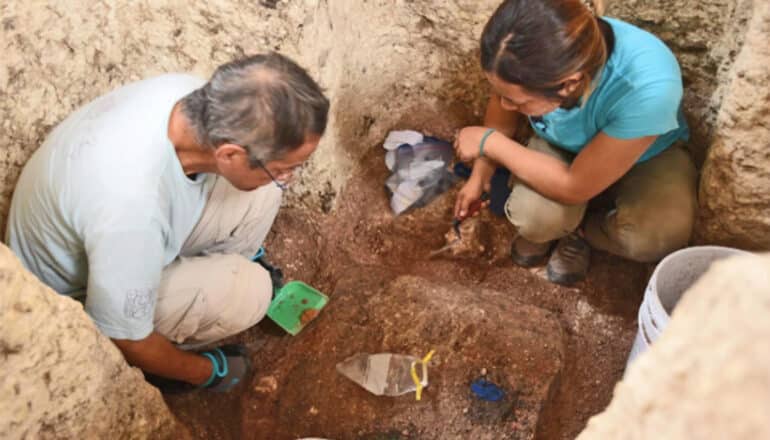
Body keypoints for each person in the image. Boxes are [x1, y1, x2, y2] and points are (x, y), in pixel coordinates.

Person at [6, 53, 329, 391]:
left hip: (115, 244)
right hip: (81, 297)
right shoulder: (132, 210)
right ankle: (163, 368)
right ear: (230, 154)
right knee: (251, 291)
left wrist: (272, 174)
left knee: (263, 192)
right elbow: (126, 338)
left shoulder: (187, 96)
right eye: (283, 169)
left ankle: (220, 269)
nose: (289, 177)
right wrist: (207, 371)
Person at [454, 0, 697, 285]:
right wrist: (481, 171)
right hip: (563, 144)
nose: (505, 106)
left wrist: (489, 142)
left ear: (569, 84)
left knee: (655, 236)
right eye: (501, 95)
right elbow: (503, 102)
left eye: (516, 101)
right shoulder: (533, 55)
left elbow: (575, 185)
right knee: (535, 219)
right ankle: (560, 226)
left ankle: (584, 232)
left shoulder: (648, 87)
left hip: (646, 155)